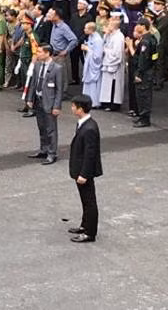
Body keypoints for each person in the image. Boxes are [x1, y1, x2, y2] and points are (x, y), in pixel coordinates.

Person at [68, 94, 103, 243]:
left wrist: (84, 174)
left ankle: (90, 232)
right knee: (85, 200)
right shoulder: (83, 123)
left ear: (80, 109)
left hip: (84, 171)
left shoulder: (89, 128)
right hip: (80, 168)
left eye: (74, 106)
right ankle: (85, 224)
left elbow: (90, 154)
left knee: (89, 201)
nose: (72, 108)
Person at [26, 44, 64, 165]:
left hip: (50, 102)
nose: (37, 54)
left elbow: (59, 89)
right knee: (41, 127)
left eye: (40, 52)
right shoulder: (37, 65)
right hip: (38, 99)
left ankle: (52, 153)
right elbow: (33, 83)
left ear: (47, 53)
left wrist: (57, 106)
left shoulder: (57, 68)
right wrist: (30, 98)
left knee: (51, 129)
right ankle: (44, 149)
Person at [128, 18, 157, 128]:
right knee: (143, 95)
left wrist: (138, 74)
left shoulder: (145, 41)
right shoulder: (151, 38)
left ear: (143, 26)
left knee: (143, 96)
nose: (136, 27)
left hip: (144, 73)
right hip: (149, 71)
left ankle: (144, 119)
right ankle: (142, 117)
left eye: (139, 25)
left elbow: (143, 59)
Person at [99, 14, 126, 111]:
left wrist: (106, 50)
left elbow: (117, 53)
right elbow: (103, 44)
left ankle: (113, 104)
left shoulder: (119, 37)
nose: (107, 26)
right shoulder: (109, 35)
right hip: (107, 62)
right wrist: (106, 35)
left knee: (113, 85)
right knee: (106, 84)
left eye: (109, 25)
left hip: (114, 64)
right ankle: (105, 101)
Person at [81, 22, 103, 109]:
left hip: (94, 65)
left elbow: (97, 56)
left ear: (91, 29)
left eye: (86, 28)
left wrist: (87, 49)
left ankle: (94, 102)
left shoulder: (98, 40)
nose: (84, 30)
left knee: (93, 84)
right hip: (89, 63)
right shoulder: (90, 37)